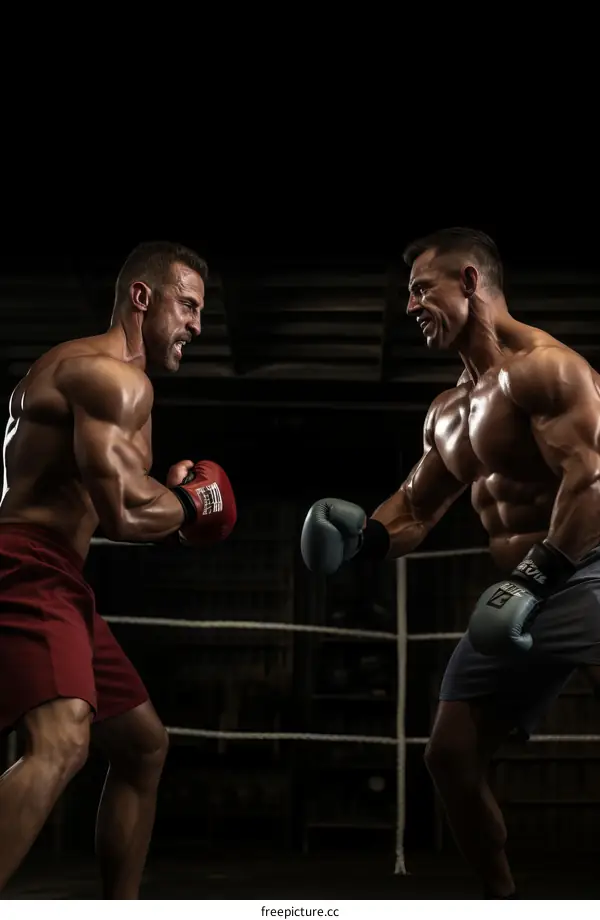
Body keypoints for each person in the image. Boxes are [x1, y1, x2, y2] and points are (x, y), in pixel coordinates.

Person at [300, 227, 600, 898]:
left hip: (587, 571)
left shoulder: (548, 369)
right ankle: (501, 902)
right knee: (451, 755)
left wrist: (536, 577)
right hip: (521, 592)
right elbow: (415, 506)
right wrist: (362, 539)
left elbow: (593, 484)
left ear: (468, 282)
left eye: (420, 289)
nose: (409, 306)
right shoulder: (448, 411)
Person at [0, 241, 237, 897]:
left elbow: (127, 503)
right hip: (25, 566)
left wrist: (178, 496)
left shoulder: (114, 383)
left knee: (142, 746)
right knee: (62, 742)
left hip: (59, 577)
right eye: (187, 306)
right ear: (142, 296)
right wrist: (194, 502)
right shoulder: (110, 378)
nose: (195, 325)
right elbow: (129, 519)